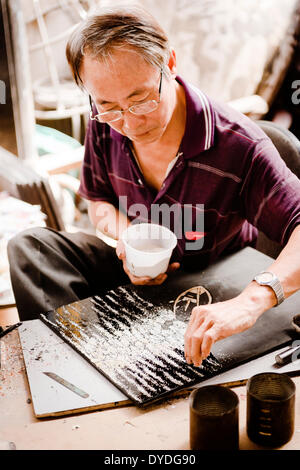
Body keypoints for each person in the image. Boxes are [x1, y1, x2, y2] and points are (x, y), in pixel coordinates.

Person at [8, 3, 300, 368]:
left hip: (211, 280)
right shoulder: (103, 122)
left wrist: (249, 302)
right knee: (31, 249)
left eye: (141, 99)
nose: (128, 123)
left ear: (170, 64)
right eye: (109, 106)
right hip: (139, 275)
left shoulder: (239, 145)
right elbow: (97, 200)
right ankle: (77, 365)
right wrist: (127, 237)